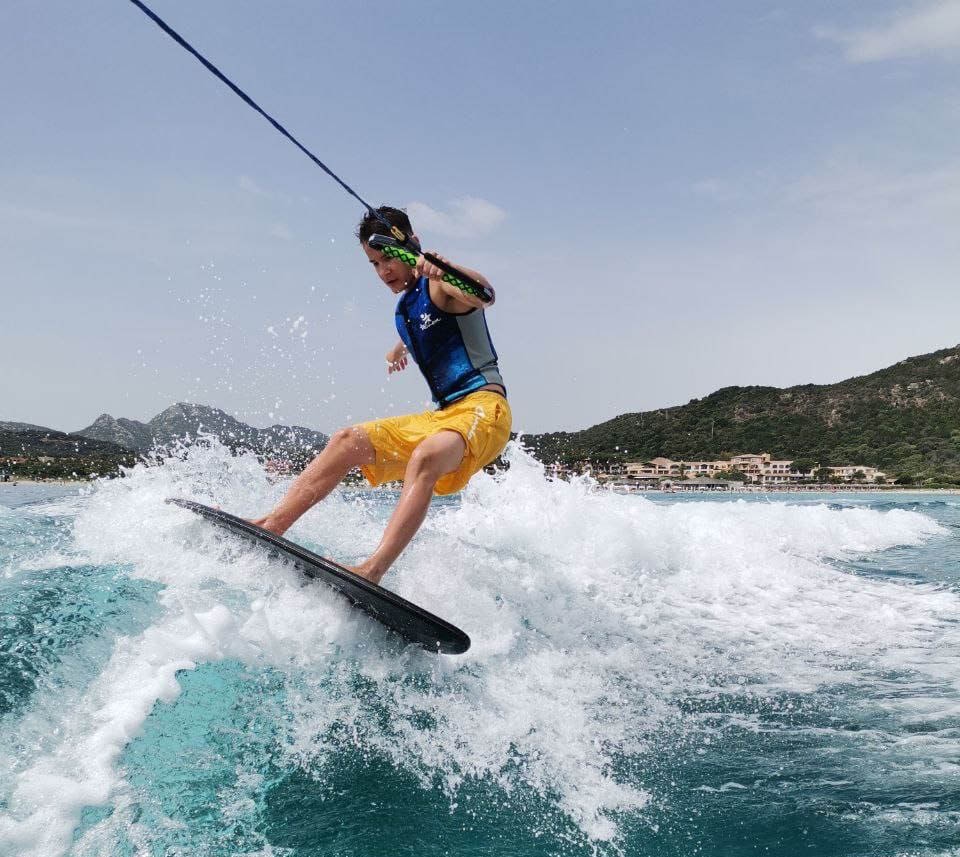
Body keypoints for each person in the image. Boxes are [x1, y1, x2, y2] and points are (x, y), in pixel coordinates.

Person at [252, 206, 511, 584]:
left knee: (425, 456)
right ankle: (273, 525)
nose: (383, 271)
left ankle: (372, 570)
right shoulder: (405, 309)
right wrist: (397, 352)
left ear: (412, 246)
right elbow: (421, 331)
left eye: (389, 258)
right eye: (374, 263)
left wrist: (444, 268)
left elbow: (484, 294)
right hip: (444, 417)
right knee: (346, 440)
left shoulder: (440, 285)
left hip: (485, 410)